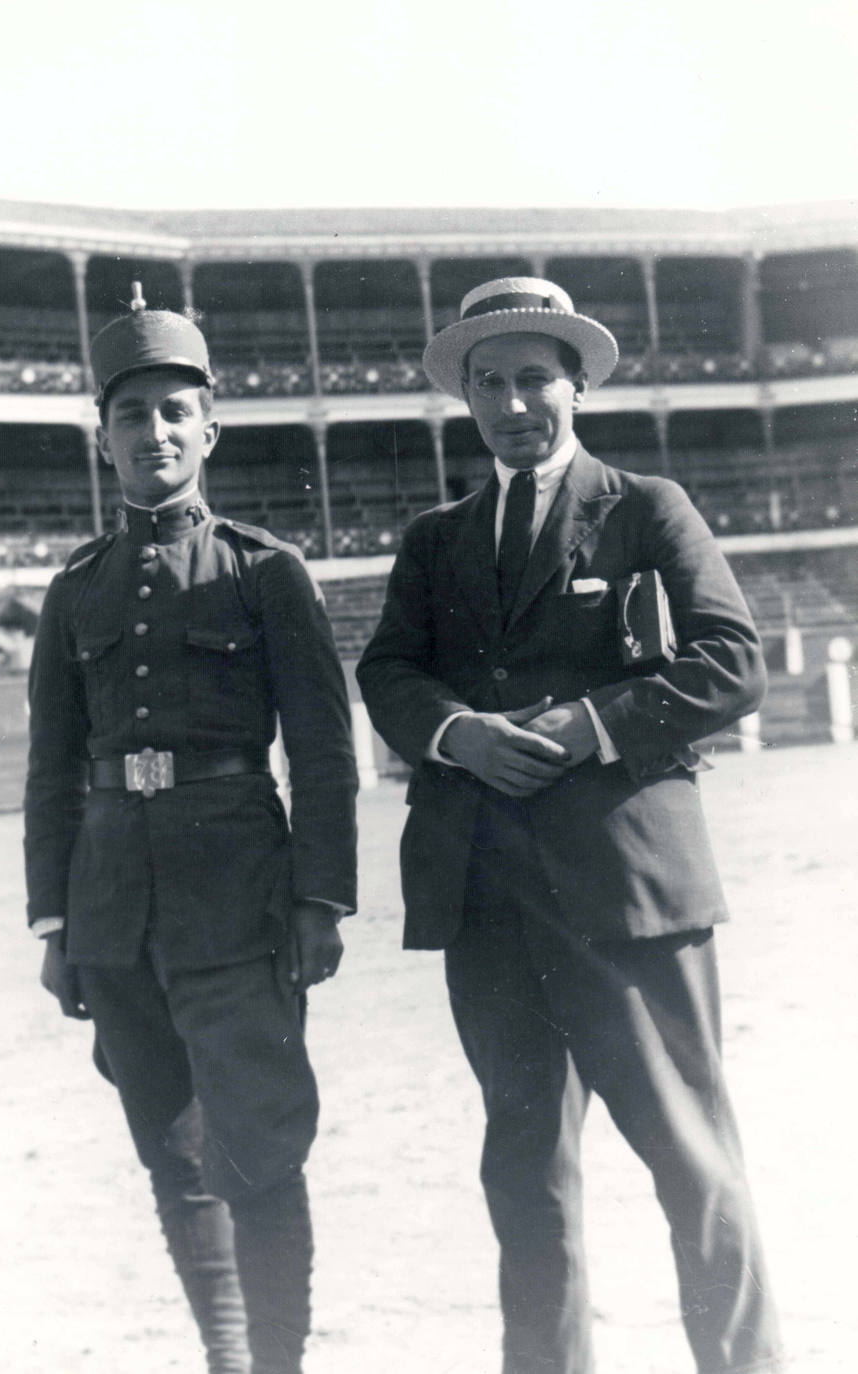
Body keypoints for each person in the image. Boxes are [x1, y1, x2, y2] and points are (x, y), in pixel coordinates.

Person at [357, 278, 783, 1374]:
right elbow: (389, 671)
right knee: (524, 1174)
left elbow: (731, 661)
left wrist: (587, 723)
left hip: (623, 894)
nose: (510, 404)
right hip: (488, 898)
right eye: (486, 383)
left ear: (576, 383)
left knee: (690, 1162)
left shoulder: (646, 505)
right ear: (463, 396)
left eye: (532, 378)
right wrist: (458, 735)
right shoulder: (436, 540)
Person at [24, 286, 359, 1374]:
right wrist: (54, 923)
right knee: (169, 1149)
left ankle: (277, 1360)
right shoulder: (75, 589)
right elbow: (50, 769)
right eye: (132, 415)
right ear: (103, 437)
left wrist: (319, 899)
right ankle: (226, 1356)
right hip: (114, 910)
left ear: (207, 430)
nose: (154, 434)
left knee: (255, 1146)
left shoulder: (265, 573)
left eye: (175, 412)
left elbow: (320, 755)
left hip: (238, 902)